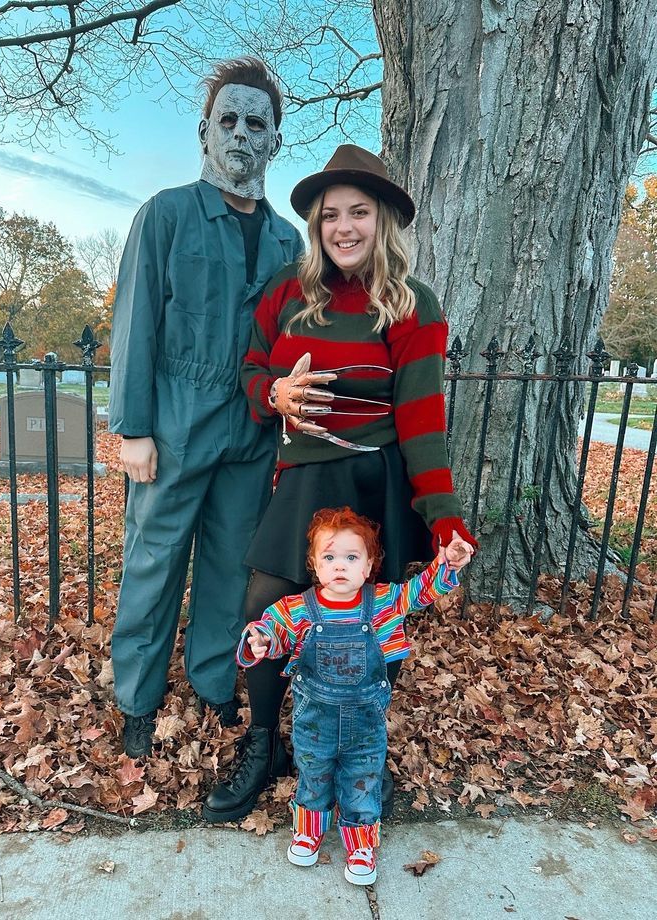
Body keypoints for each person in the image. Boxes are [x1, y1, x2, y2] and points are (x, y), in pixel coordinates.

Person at [203, 144, 476, 821]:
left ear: (382, 221)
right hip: (302, 477)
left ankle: (359, 750)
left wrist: (443, 517)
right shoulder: (286, 294)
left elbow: (421, 422)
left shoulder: (413, 306)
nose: (344, 227)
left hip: (375, 480)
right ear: (316, 226)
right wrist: (277, 395)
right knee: (263, 610)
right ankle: (267, 744)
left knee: (372, 623)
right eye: (331, 215)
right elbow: (250, 372)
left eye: (359, 212)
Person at [108, 58, 304, 758]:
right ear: (203, 130)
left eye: (257, 122)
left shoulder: (290, 243)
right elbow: (135, 325)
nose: (241, 134)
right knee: (155, 562)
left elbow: (293, 344)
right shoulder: (164, 216)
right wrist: (132, 427)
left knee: (228, 565)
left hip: (251, 432)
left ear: (276, 139)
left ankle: (215, 681)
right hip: (174, 421)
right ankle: (136, 696)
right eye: (229, 119)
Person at [238, 507, 472, 885]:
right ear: (314, 564)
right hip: (315, 720)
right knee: (313, 774)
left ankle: (360, 843)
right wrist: (262, 640)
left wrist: (446, 564)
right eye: (329, 557)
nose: (340, 566)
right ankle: (309, 829)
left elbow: (420, 591)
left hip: (366, 722)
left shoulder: (382, 603)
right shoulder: (298, 608)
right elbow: (273, 629)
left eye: (351, 557)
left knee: (363, 777)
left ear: (368, 566)